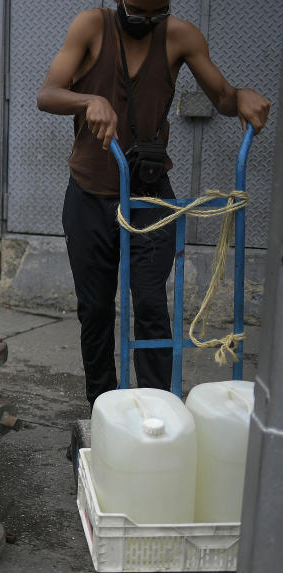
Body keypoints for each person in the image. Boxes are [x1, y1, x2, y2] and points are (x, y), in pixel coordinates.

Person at [36, 0, 270, 408]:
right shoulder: (92, 25)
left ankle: (159, 409)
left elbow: (223, 97)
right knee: (95, 310)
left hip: (148, 191)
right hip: (89, 194)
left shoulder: (182, 35)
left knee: (149, 304)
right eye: (136, 12)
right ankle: (103, 409)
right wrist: (88, 100)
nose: (144, 22)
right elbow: (48, 93)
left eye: (155, 15)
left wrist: (243, 98)